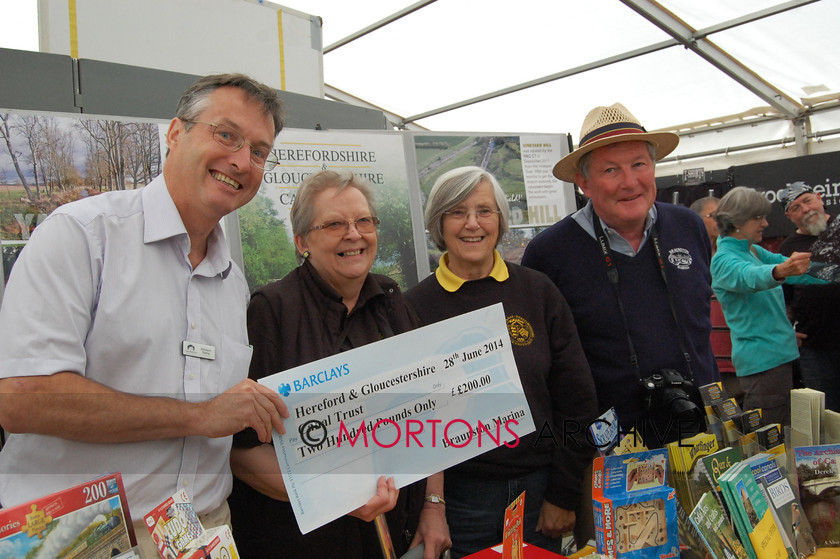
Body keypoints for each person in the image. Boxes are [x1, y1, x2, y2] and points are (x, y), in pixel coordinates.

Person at [0, 73, 290, 555]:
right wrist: (200, 416)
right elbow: (23, 397)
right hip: (84, 541)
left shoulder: (231, 280)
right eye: (226, 135)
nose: (242, 160)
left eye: (259, 151)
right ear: (175, 133)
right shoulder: (82, 236)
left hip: (201, 535)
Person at [228, 170, 450, 559]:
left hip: (396, 538)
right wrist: (337, 495)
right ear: (302, 242)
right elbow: (240, 451)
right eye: (334, 224)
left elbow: (430, 414)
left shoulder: (392, 299)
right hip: (304, 545)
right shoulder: (272, 310)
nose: (354, 233)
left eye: (364, 221)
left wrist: (433, 505)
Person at [405, 166, 598, 558]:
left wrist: (562, 493)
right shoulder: (413, 307)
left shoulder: (537, 291)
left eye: (484, 211)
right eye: (457, 212)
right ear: (438, 224)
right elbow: (411, 416)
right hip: (460, 504)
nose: (472, 224)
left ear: (500, 221)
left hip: (540, 493)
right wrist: (433, 505)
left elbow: (576, 398)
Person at [521, 103, 718, 446]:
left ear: (654, 167)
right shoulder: (548, 253)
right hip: (609, 448)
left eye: (639, 164)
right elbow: (542, 367)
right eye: (611, 170)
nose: (630, 182)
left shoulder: (689, 227)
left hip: (702, 429)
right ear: (583, 182)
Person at [711, 186, 826, 426]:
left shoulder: (752, 250)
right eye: (758, 218)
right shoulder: (724, 260)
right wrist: (780, 270)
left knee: (784, 434)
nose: (765, 223)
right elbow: (750, 277)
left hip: (779, 360)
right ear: (737, 222)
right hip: (764, 366)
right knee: (768, 443)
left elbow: (798, 270)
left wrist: (829, 271)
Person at [779, 182, 840, 411]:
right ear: (788, 216)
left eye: (807, 201)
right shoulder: (787, 249)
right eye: (795, 207)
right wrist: (788, 331)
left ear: (819, 198)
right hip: (815, 350)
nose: (805, 209)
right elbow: (782, 298)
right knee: (826, 417)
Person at [690, 196, 742, 405]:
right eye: (713, 216)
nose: (721, 221)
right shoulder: (685, 260)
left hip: (740, 358)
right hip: (705, 361)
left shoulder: (739, 255)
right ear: (693, 220)